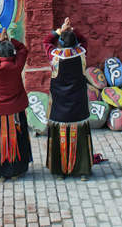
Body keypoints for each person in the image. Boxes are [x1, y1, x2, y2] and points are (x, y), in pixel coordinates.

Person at [43, 17, 93, 180]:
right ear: (75, 43)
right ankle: (83, 171)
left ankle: (59, 171)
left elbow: (46, 41)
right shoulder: (81, 54)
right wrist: (72, 30)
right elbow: (84, 40)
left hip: (59, 105)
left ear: (61, 43)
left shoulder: (54, 56)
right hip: (78, 104)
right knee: (80, 136)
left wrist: (60, 30)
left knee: (60, 137)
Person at [0, 28, 32, 180]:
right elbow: (23, 48)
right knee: (17, 139)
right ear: (12, 54)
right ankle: (16, 171)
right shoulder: (17, 65)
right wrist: (10, 40)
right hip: (15, 109)